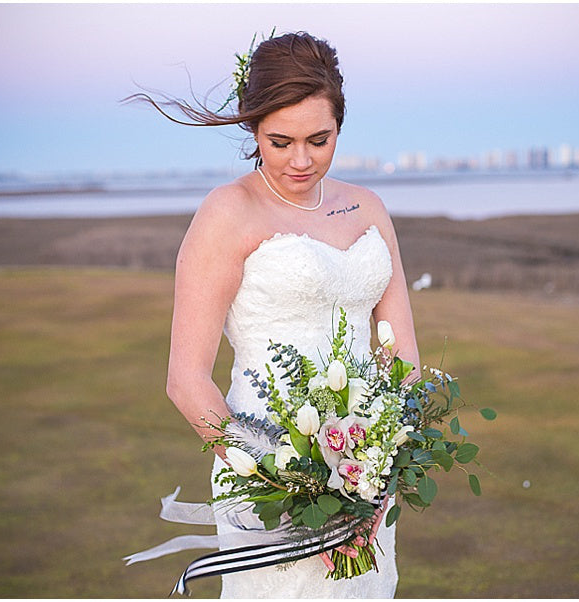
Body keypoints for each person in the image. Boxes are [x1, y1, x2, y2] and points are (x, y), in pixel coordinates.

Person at [133, 31, 419, 598]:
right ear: (252, 127)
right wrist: (285, 479)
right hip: (267, 482)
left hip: (367, 476)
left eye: (320, 138)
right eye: (280, 141)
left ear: (340, 123)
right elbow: (186, 380)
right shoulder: (227, 213)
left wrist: (381, 462)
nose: (302, 159)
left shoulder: (369, 207)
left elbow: (401, 354)